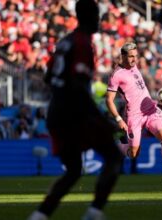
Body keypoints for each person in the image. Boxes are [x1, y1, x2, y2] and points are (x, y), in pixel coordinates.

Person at [28, 1, 122, 220]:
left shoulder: (66, 42)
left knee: (73, 170)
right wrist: (100, 118)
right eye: (97, 15)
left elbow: (48, 77)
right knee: (114, 156)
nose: (99, 20)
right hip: (74, 111)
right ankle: (94, 212)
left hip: (57, 110)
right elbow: (79, 86)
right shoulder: (82, 43)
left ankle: (39, 216)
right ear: (89, 17)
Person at [106, 42, 162, 191]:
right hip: (134, 116)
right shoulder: (116, 75)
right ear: (123, 56)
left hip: (151, 110)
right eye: (131, 56)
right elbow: (109, 100)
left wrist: (160, 101)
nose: (134, 60)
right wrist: (119, 119)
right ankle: (116, 145)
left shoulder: (134, 67)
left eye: (136, 56)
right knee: (133, 153)